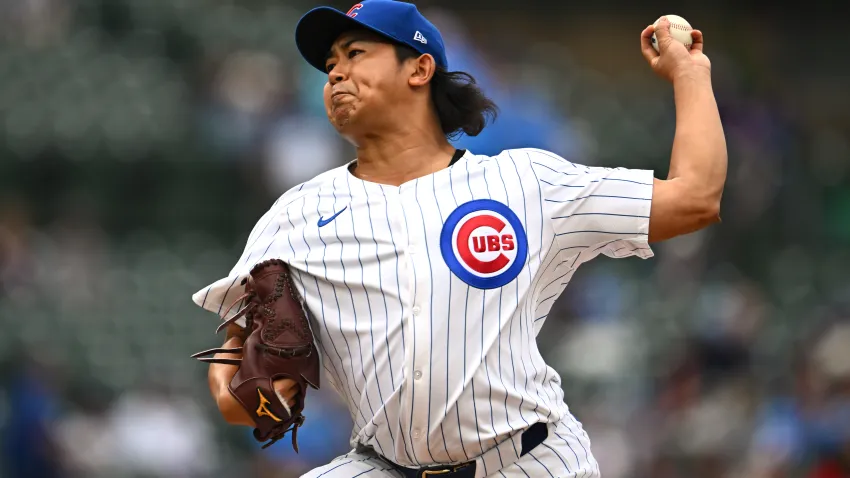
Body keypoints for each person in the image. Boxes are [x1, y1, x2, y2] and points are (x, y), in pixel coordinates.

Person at [192, 1, 727, 477]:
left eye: (355, 53)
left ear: (420, 68)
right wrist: (248, 394)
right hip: (383, 463)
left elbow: (696, 198)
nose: (335, 73)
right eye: (330, 64)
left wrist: (691, 73)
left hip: (528, 460)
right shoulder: (297, 215)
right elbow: (236, 374)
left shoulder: (524, 183)